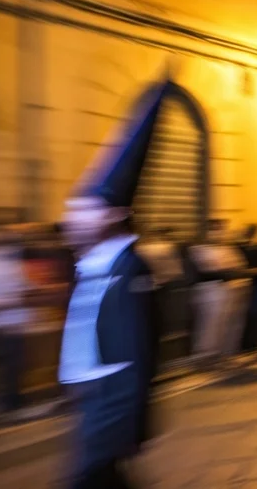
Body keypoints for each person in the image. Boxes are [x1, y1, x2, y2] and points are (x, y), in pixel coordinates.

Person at [59, 80, 167, 489]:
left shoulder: (131, 269)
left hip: (111, 408)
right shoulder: (93, 263)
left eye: (84, 209)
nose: (72, 218)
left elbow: (141, 351)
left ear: (113, 215)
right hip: (93, 402)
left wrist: (129, 423)